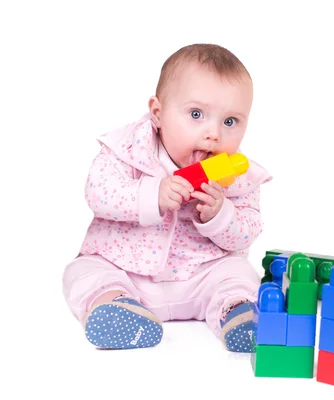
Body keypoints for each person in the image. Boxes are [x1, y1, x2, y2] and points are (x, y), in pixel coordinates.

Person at [62, 43, 272, 353]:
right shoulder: (127, 151)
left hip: (202, 275)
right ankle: (115, 306)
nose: (213, 133)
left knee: (240, 274)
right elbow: (98, 192)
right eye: (196, 114)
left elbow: (249, 228)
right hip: (125, 270)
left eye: (230, 122)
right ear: (158, 113)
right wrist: (151, 195)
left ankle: (238, 312)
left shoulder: (240, 175)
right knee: (81, 272)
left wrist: (219, 215)